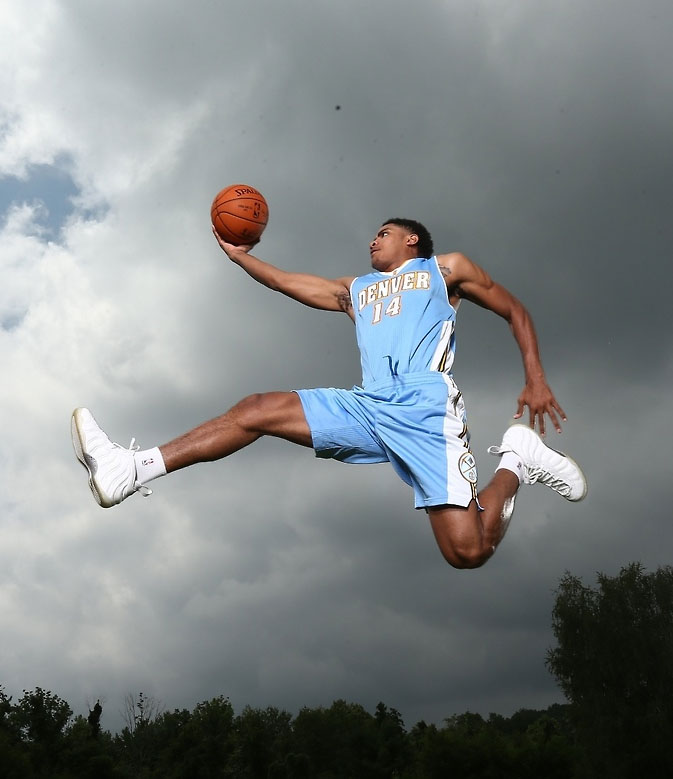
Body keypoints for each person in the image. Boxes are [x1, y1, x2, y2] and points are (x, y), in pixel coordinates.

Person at [72, 219, 586, 569]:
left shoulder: (444, 269)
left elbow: (515, 310)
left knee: (466, 552)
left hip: (423, 409)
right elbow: (288, 282)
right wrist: (241, 258)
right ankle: (130, 468)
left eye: (384, 234)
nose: (372, 241)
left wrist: (535, 378)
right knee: (257, 410)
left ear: (412, 241)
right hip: (369, 404)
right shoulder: (356, 289)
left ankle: (517, 459)